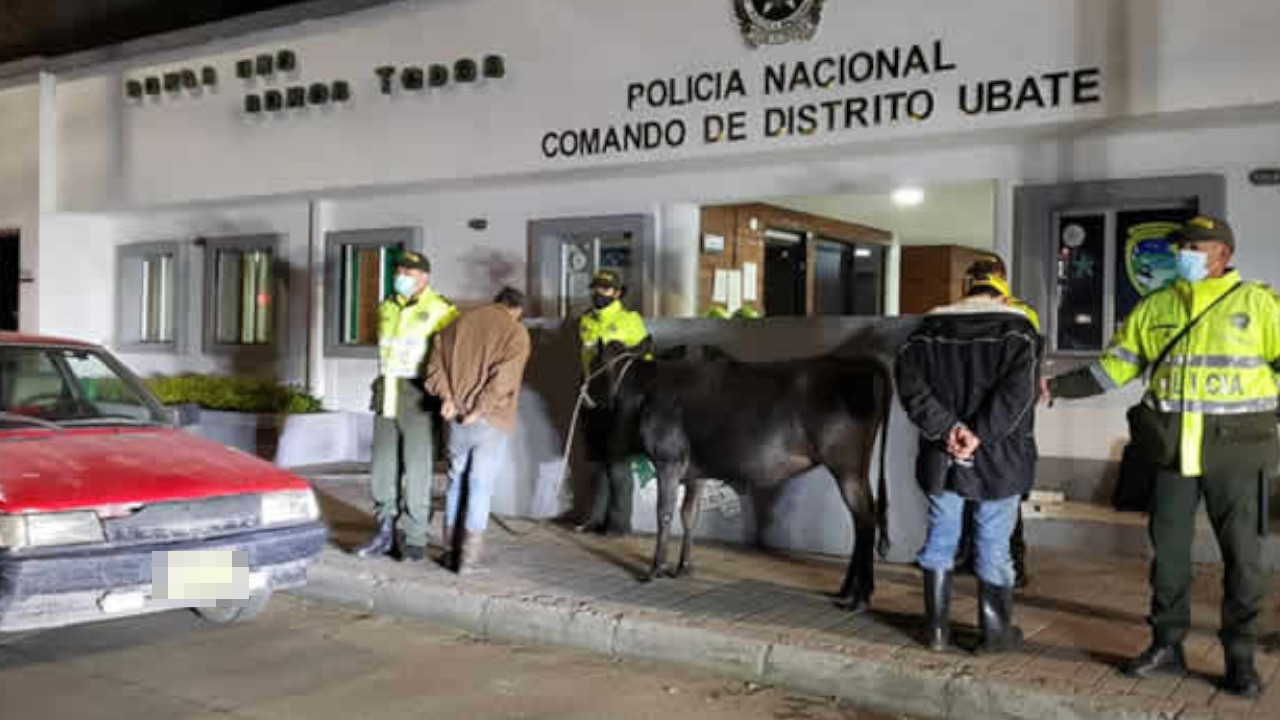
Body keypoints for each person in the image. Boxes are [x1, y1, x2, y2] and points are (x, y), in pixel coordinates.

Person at [1043, 215, 1276, 697]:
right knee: (1167, 558)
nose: (1185, 253)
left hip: (1235, 455)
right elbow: (1114, 369)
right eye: (1182, 246)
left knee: (1243, 561)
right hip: (1172, 456)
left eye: (1197, 246)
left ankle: (1240, 658)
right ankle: (1167, 645)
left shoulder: (1260, 305)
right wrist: (1056, 387)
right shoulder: (1156, 307)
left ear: (1223, 255)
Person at [896, 275, 1041, 654]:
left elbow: (912, 390)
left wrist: (950, 430)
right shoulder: (1018, 331)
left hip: (943, 454)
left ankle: (937, 634)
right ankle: (995, 636)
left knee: (940, 539)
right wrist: (979, 434)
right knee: (993, 543)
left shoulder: (924, 333)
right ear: (1000, 292)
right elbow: (1018, 395)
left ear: (967, 290)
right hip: (1000, 457)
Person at [354, 251, 458, 563]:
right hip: (387, 389)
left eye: (409, 271)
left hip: (418, 392)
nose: (402, 275)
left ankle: (414, 538)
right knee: (383, 465)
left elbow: (450, 357)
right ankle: (385, 531)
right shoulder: (387, 305)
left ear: (424, 277)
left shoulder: (441, 309)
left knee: (417, 467)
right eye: (399, 270)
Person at [425, 287, 532, 575]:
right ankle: (468, 559)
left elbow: (434, 368)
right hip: (490, 420)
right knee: (480, 484)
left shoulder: (457, 323)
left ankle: (450, 551)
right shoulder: (515, 332)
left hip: (456, 418)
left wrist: (447, 398)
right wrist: (480, 409)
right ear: (516, 310)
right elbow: (504, 380)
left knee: (456, 480)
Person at [953, 256, 1040, 589]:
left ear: (1001, 278)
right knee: (968, 487)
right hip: (972, 415)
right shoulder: (960, 311)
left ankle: (1014, 563)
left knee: (1005, 491)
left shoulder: (1019, 312)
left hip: (1007, 419)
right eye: (974, 275)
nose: (977, 281)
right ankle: (971, 557)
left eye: (983, 276)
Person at [574, 270, 653, 536]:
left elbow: (645, 358)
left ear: (617, 293)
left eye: (605, 289)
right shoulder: (585, 321)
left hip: (621, 403)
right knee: (597, 462)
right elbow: (584, 361)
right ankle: (595, 518)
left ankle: (619, 524)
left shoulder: (629, 320)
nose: (598, 293)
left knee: (617, 463)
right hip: (591, 401)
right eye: (595, 288)